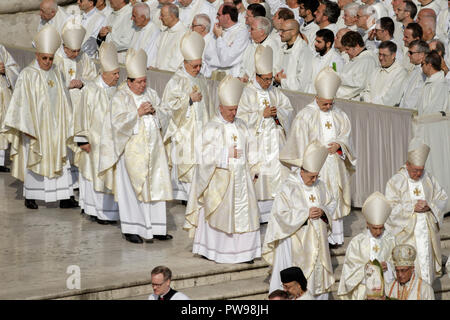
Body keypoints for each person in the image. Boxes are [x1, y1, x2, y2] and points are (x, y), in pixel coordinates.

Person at [183, 75, 261, 264]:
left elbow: (253, 147)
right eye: (230, 110)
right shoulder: (212, 127)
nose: (233, 113)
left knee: (246, 215)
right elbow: (203, 156)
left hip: (242, 181)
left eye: (235, 109)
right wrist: (226, 154)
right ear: (220, 108)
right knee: (218, 212)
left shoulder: (242, 125)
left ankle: (244, 252)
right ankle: (213, 250)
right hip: (219, 181)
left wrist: (255, 167)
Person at [98, 48, 173, 244]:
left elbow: (166, 112)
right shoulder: (120, 97)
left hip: (154, 150)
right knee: (132, 190)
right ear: (129, 81)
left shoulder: (152, 93)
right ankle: (132, 228)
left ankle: (157, 228)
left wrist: (156, 111)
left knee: (156, 185)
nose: (143, 85)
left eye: (144, 81)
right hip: (131, 153)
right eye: (139, 82)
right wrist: (137, 113)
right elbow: (115, 125)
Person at [2, 25, 78, 210]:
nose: (47, 61)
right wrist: (26, 127)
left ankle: (64, 196)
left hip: (56, 127)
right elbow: (20, 103)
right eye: (44, 58)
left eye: (51, 58)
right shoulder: (28, 75)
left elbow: (64, 100)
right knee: (35, 158)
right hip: (35, 127)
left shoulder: (57, 73)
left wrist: (67, 123)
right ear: (37, 55)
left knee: (61, 158)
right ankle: (31, 195)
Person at [281, 67, 356, 248]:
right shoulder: (305, 116)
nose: (329, 107)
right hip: (316, 168)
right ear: (317, 98)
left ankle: (335, 237)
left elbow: (346, 135)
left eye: (331, 103)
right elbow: (297, 145)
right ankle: (320, 236)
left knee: (333, 199)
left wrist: (340, 145)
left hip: (335, 166)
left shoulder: (340, 114)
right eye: (325, 104)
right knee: (318, 198)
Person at [264, 139, 336, 299]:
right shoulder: (288, 187)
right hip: (297, 243)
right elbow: (279, 215)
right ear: (302, 171)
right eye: (311, 176)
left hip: (319, 243)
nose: (314, 179)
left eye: (317, 176)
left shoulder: (321, 185)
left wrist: (323, 212)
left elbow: (331, 203)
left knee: (319, 281)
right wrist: (305, 214)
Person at [238, 45, 293, 223]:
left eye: (271, 79)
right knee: (261, 179)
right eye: (266, 79)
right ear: (257, 76)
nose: (268, 82)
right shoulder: (247, 93)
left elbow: (289, 110)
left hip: (276, 144)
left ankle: (277, 212)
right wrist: (261, 115)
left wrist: (280, 114)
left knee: (278, 177)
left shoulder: (275, 92)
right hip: (258, 144)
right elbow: (240, 117)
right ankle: (260, 214)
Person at [385, 139, 448, 286]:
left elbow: (442, 197)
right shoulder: (396, 181)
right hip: (407, 234)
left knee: (426, 273)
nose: (418, 173)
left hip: (427, 232)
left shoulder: (428, 178)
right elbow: (389, 207)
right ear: (407, 165)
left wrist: (430, 206)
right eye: (415, 170)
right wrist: (411, 207)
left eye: (421, 170)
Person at [73, 42, 120, 224]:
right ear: (104, 74)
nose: (117, 77)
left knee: (109, 175)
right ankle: (93, 209)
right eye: (114, 74)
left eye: (118, 73)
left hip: (112, 143)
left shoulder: (117, 90)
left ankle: (109, 212)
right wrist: (82, 140)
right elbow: (81, 116)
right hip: (93, 142)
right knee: (93, 175)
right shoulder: (91, 90)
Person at [162, 31, 210, 202]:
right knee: (186, 161)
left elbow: (208, 105)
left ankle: (196, 194)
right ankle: (185, 196)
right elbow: (167, 106)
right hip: (184, 130)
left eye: (200, 65)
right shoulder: (177, 80)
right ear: (185, 63)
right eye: (194, 66)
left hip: (201, 128)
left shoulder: (202, 78)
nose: (198, 69)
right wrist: (188, 99)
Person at [337, 192, 396, 300]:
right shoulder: (357, 242)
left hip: (386, 289)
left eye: (381, 228)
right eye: (375, 228)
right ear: (367, 224)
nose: (378, 232)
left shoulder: (390, 240)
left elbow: (397, 265)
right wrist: (370, 269)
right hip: (363, 291)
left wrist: (388, 266)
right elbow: (350, 272)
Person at [361, 40, 408, 106]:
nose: (380, 58)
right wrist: (368, 102)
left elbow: (392, 98)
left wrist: (372, 104)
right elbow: (366, 90)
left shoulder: (401, 73)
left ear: (393, 55)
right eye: (379, 54)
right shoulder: (376, 70)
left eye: (384, 55)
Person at [210, 4, 250, 77]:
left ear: (227, 17)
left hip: (231, 78)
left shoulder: (242, 33)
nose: (216, 17)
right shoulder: (219, 29)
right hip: (214, 74)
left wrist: (219, 37)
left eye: (219, 15)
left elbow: (225, 60)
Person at [336, 30, 378, 100]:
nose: (345, 52)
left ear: (356, 46)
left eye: (347, 49)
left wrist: (336, 92)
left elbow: (359, 85)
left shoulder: (367, 61)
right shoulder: (356, 59)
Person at [274, 19, 313, 92]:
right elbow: (275, 68)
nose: (280, 33)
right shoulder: (282, 48)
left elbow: (302, 83)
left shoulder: (304, 51)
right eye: (280, 30)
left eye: (283, 31)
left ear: (293, 32)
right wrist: (276, 77)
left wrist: (282, 81)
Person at [239, 16, 281, 81]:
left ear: (261, 32)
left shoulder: (272, 47)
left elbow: (271, 71)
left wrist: (250, 79)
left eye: (252, 29)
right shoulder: (251, 44)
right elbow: (243, 65)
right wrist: (243, 75)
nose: (249, 31)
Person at [0, 45, 20, 173]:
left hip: (2, 93)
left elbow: (14, 67)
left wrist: (5, 69)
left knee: (2, 128)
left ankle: (0, 161)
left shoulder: (1, 48)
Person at [153, 4, 188, 72]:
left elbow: (177, 60)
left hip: (169, 76)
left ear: (172, 16)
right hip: (156, 74)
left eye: (162, 15)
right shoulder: (164, 32)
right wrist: (153, 67)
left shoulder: (184, 34)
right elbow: (155, 53)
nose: (160, 18)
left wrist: (162, 72)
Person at [309, 28, 344, 93]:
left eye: (319, 42)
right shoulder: (315, 57)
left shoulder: (336, 60)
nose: (315, 44)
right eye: (315, 41)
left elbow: (334, 82)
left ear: (328, 44)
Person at [399, 39, 429, 109]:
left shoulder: (424, 73)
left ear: (421, 55)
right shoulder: (415, 68)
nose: (408, 55)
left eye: (411, 53)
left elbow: (414, 98)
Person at [129, 2, 161, 67]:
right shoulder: (138, 27)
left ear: (143, 17)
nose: (132, 18)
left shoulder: (154, 31)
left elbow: (148, 57)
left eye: (134, 16)